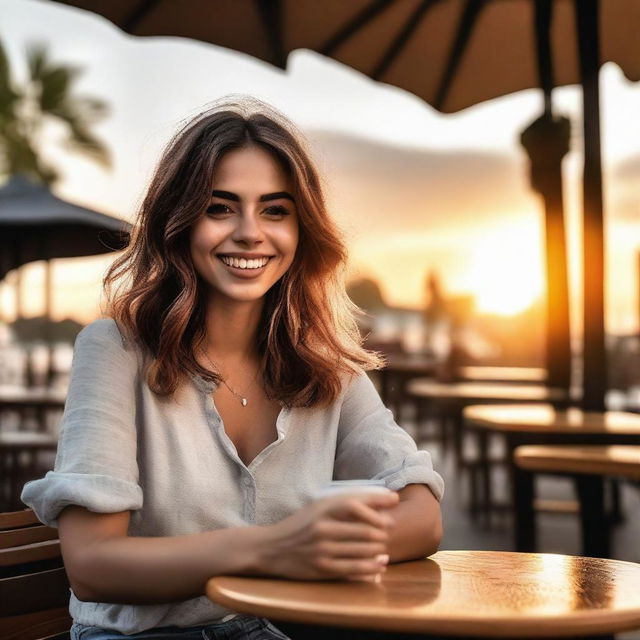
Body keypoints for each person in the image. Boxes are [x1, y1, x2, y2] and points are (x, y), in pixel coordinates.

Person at [21, 96, 444, 640]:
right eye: (219, 208)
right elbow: (95, 565)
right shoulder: (115, 348)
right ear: (178, 222)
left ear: (302, 228)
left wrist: (305, 551)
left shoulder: (326, 360)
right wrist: (282, 546)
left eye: (275, 210)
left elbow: (422, 516)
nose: (250, 232)